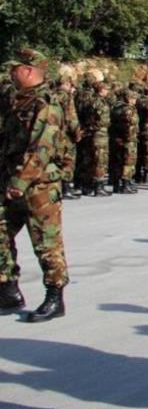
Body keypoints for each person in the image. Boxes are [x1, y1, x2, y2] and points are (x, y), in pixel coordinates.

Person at [0, 48, 70, 321]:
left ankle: (55, 297)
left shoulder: (46, 104)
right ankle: (7, 289)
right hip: (10, 180)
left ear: (28, 70)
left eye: (15, 68)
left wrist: (20, 181)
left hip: (38, 185)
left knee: (46, 242)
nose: (10, 73)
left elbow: (41, 148)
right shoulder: (18, 101)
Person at [109, 88, 139, 194]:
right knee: (128, 162)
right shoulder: (129, 109)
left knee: (118, 162)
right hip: (127, 139)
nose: (135, 100)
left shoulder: (115, 108)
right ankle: (125, 184)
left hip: (116, 137)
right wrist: (129, 138)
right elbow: (130, 126)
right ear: (128, 98)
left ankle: (116, 185)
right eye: (133, 98)